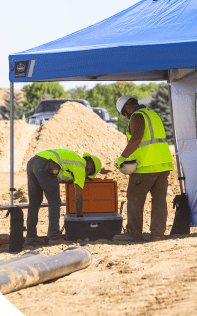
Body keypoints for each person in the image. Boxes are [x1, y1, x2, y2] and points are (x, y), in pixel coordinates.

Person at [113, 95, 174, 242]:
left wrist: (122, 159)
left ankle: (133, 234)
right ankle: (157, 235)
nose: (127, 117)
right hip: (163, 164)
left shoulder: (137, 116)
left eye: (125, 115)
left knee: (134, 198)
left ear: (127, 109)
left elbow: (136, 139)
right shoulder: (153, 114)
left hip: (146, 166)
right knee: (159, 200)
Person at [26, 149, 110, 245]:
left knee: (34, 202)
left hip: (32, 162)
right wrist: (79, 215)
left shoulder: (74, 159)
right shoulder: (81, 167)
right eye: (89, 174)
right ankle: (54, 237)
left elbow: (58, 177)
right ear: (90, 166)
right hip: (47, 164)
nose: (86, 176)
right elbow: (78, 196)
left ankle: (31, 236)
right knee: (55, 202)